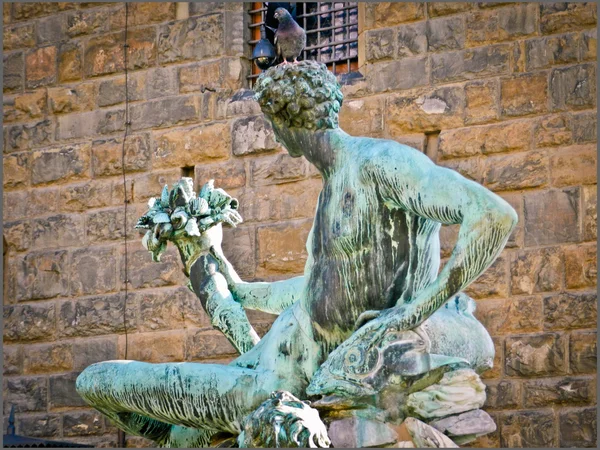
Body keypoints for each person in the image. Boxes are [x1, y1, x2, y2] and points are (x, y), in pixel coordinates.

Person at [76, 61, 517, 447]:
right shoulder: (337, 186)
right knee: (164, 426)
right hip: (274, 356)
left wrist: (407, 316)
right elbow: (316, 291)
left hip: (275, 386)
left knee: (99, 382)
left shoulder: (380, 164)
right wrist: (244, 291)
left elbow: (493, 215)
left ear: (282, 123)